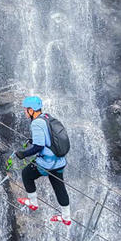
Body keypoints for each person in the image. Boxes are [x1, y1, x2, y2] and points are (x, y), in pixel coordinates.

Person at [15, 95, 71, 224]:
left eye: (25, 109)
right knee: (59, 187)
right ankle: (66, 217)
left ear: (31, 110)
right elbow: (48, 138)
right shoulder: (46, 117)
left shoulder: (36, 123)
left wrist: (24, 154)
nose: (25, 112)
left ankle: (33, 202)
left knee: (26, 174)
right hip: (59, 161)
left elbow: (38, 147)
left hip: (47, 163)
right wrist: (33, 141)